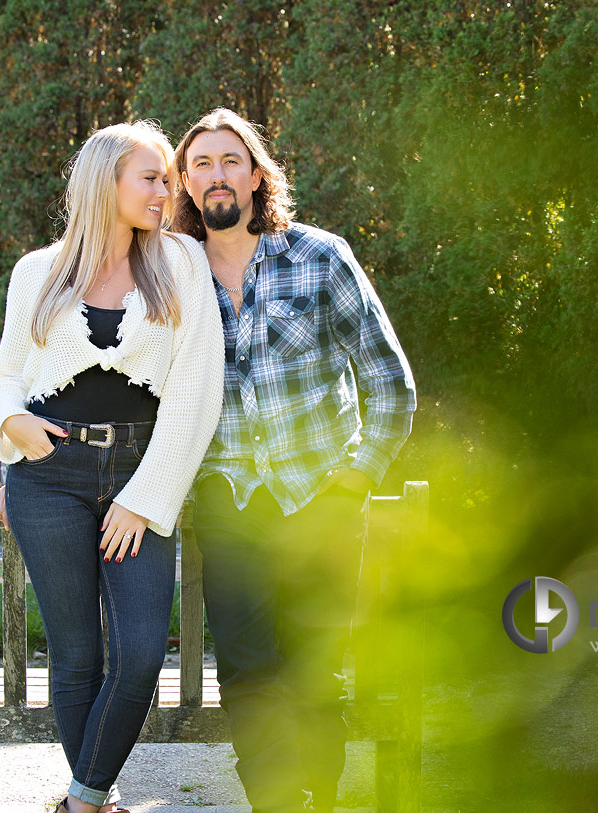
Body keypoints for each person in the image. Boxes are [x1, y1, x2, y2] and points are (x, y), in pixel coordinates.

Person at [173, 108, 416, 813]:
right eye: (202, 164)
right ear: (187, 183)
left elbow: (389, 381)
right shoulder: (173, 276)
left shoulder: (321, 256)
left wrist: (354, 480)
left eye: (230, 160)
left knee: (315, 671)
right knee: (247, 671)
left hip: (322, 500)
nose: (217, 175)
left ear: (255, 175)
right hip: (229, 505)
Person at [0, 120, 224, 813]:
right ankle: (97, 795)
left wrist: (144, 498)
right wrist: (12, 425)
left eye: (165, 179)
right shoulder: (37, 270)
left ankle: (80, 802)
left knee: (143, 652)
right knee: (76, 655)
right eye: (150, 177)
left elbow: (197, 391)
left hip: (138, 475)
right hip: (48, 476)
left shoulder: (179, 262)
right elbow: (8, 372)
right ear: (105, 181)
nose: (165, 191)